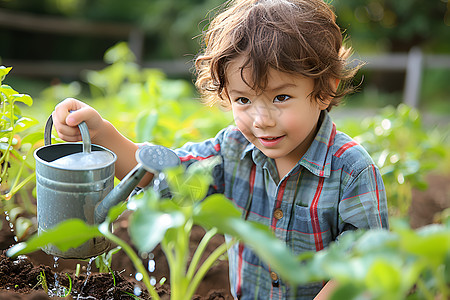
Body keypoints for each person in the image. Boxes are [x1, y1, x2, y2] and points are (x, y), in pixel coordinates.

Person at [52, 0, 389, 298]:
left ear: (326, 89)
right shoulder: (232, 149)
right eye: (243, 100)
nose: (261, 120)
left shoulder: (351, 170)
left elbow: (366, 264)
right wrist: (102, 133)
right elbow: (162, 174)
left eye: (280, 97)